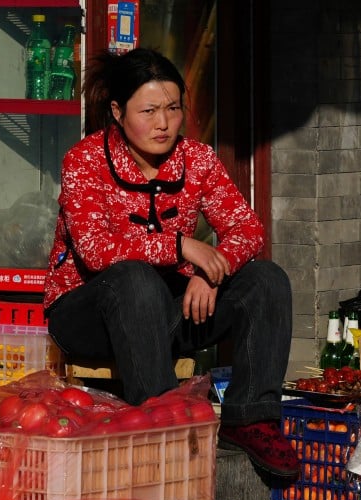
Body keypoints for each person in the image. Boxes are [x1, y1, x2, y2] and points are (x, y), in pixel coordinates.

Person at [44, 48, 297, 478]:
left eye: (173, 109)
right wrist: (180, 247)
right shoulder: (84, 161)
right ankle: (160, 421)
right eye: (149, 111)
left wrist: (212, 270)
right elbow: (94, 249)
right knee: (134, 278)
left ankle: (251, 417)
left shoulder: (197, 159)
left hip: (168, 313)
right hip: (89, 315)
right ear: (118, 112)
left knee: (266, 279)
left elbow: (247, 228)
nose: (163, 123)